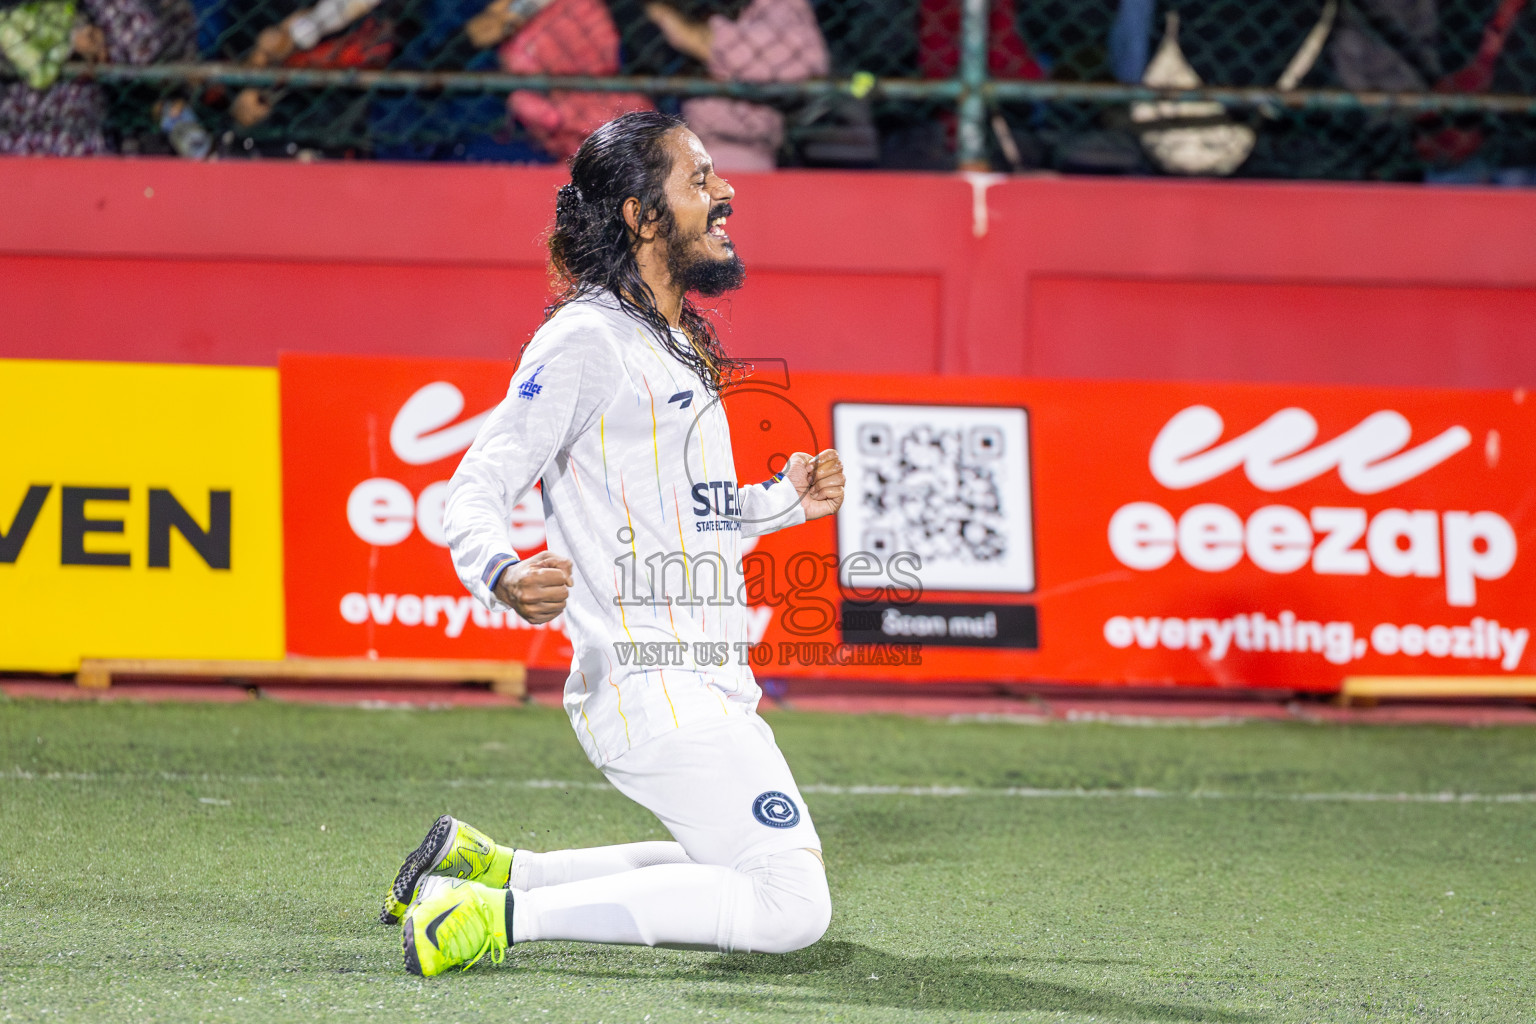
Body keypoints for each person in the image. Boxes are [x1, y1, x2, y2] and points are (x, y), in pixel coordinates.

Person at [379, 110, 845, 976]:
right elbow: (476, 484)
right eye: (699, 179)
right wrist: (500, 571)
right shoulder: (586, 338)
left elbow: (687, 514)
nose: (725, 192)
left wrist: (785, 501)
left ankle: (496, 872)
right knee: (791, 907)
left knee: (725, 868)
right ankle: (492, 917)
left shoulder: (671, 339)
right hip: (653, 684)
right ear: (642, 215)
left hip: (701, 677)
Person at [644, 0, 828, 171]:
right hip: (651, 148)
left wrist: (695, 36)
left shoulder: (778, 6)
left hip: (734, 150)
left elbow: (804, 61)